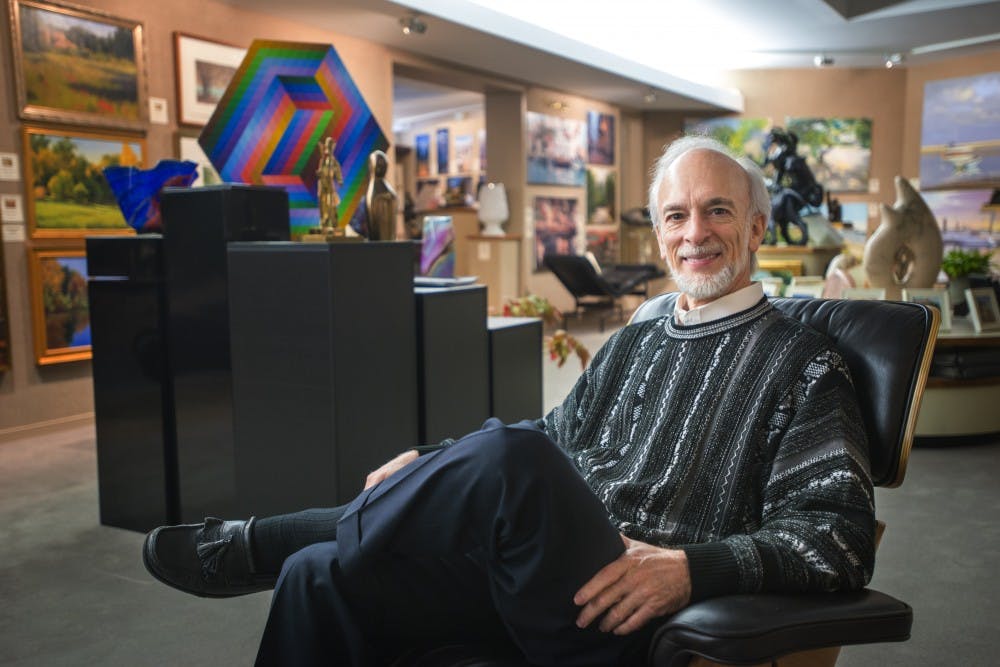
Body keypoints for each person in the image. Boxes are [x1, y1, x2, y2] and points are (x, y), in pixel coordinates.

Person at [143, 135, 875, 666]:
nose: (695, 233)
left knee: (509, 453)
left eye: (717, 211)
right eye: (676, 216)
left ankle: (259, 543)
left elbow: (837, 538)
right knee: (319, 578)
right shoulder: (640, 338)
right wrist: (430, 466)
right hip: (535, 576)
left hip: (627, 609)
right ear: (659, 235)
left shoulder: (803, 364)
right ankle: (292, 551)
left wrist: (690, 567)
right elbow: (555, 437)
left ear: (754, 228)